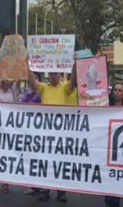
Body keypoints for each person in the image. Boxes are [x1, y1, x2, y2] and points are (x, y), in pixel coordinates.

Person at [27, 60, 77, 202]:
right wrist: (27, 66)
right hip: (46, 133)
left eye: (56, 73)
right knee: (45, 162)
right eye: (51, 73)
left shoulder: (65, 87)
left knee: (61, 163)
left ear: (60, 75)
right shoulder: (44, 87)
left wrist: (74, 64)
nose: (53, 76)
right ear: (49, 75)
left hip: (62, 133)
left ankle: (61, 191)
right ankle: (44, 190)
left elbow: (73, 82)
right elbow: (32, 83)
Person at [105, 82, 123, 207]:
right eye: (115, 89)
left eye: (120, 90)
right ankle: (109, 201)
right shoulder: (106, 106)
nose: (117, 92)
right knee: (109, 175)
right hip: (107, 146)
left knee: (119, 176)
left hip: (122, 148)